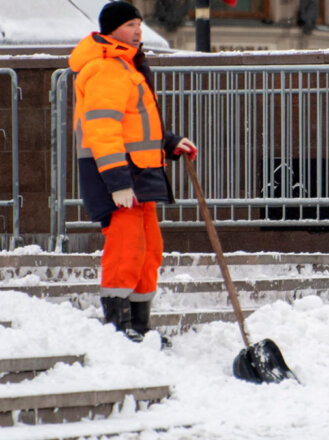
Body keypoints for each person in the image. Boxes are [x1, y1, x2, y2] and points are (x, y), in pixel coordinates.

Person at [68, 1, 198, 344]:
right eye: (129, 25)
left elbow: (134, 125)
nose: (138, 31)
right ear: (110, 31)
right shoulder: (106, 68)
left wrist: (169, 143)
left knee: (148, 250)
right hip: (121, 179)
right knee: (126, 250)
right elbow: (103, 130)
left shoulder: (127, 67)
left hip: (140, 175)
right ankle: (118, 327)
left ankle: (140, 326)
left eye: (139, 24)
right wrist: (117, 182)